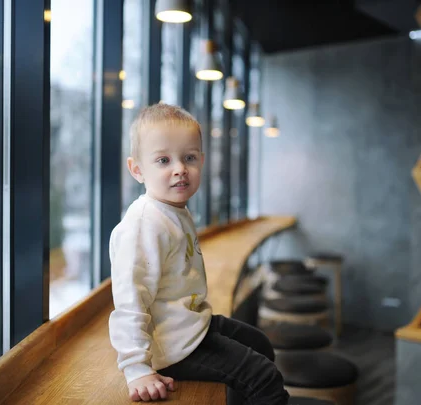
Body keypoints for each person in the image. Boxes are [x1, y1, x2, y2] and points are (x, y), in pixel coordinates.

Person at [108, 103, 290, 404]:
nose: (180, 168)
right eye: (163, 160)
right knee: (265, 378)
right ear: (138, 169)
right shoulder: (143, 225)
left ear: (201, 162)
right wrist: (137, 369)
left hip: (191, 325)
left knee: (260, 344)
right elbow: (129, 302)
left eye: (189, 158)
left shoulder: (174, 209)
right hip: (172, 346)